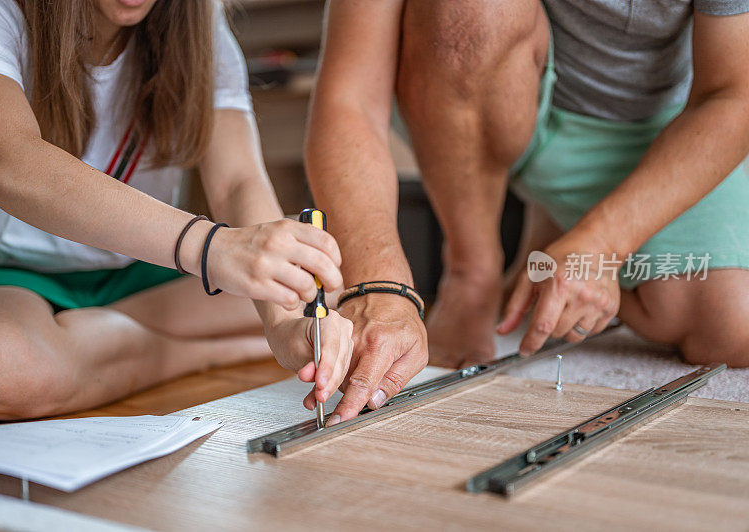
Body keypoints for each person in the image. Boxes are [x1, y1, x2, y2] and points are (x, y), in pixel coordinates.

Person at [305, 0, 749, 424]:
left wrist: (604, 242)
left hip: (659, 129)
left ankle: (561, 222)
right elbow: (350, 99)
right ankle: (471, 275)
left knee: (728, 326)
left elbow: (733, 95)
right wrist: (382, 288)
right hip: (479, 102)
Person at [0, 0, 354, 420]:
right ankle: (205, 351)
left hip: (138, 267)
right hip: (0, 273)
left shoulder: (199, 17)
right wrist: (213, 248)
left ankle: (92, 340)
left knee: (322, 274)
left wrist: (282, 319)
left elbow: (237, 182)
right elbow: (6, 161)